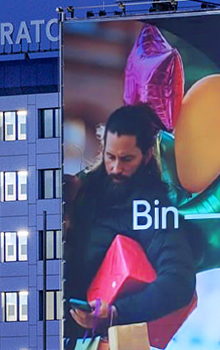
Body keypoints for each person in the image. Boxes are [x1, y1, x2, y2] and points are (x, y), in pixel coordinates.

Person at [64, 104, 196, 336]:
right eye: (110, 157)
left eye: (126, 159)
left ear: (146, 156)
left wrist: (116, 313)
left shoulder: (153, 208)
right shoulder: (81, 187)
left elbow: (179, 282)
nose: (116, 168)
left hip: (94, 348)